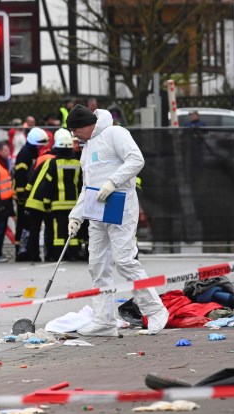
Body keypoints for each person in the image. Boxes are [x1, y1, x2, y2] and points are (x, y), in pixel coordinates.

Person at [65, 104, 169, 336]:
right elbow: (86, 187)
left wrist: (112, 182)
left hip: (120, 206)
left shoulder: (115, 133)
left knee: (124, 260)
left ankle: (155, 310)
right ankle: (104, 319)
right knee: (98, 265)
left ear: (86, 125)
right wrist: (76, 215)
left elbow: (136, 160)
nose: (74, 136)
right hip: (96, 211)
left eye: (75, 130)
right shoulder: (87, 148)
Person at [25, 128, 82, 261]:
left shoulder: (53, 163)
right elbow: (80, 184)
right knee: (73, 229)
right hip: (73, 204)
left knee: (59, 231)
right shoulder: (78, 163)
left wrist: (46, 202)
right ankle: (73, 254)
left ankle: (58, 255)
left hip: (57, 204)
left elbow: (48, 184)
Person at [13, 127, 49, 261]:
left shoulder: (32, 152)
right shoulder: (25, 154)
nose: (42, 147)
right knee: (22, 224)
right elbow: (20, 176)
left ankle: (26, 251)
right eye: (40, 144)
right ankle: (21, 252)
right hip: (23, 196)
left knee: (27, 224)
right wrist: (22, 196)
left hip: (28, 195)